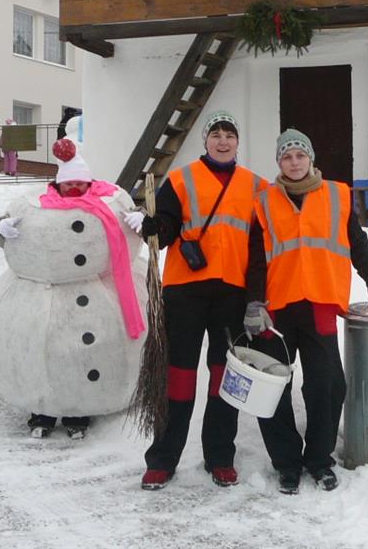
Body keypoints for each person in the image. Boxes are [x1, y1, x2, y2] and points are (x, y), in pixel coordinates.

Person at [245, 128, 368, 495]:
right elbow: (256, 259)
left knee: (328, 385)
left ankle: (319, 460)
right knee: (272, 387)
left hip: (318, 302)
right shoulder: (264, 202)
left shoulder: (337, 195)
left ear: (311, 159)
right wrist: (253, 302)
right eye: (287, 157)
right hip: (276, 308)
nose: (294, 162)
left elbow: (358, 245)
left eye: (300, 155)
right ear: (279, 162)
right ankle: (287, 463)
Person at [125, 110, 268, 490]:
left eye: (229, 135)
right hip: (185, 291)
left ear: (238, 142)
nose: (223, 141)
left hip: (232, 293)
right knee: (179, 376)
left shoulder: (257, 186)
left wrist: (257, 298)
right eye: (216, 134)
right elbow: (168, 227)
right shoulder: (181, 179)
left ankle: (219, 456)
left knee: (224, 378)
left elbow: (260, 249)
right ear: (205, 140)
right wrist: (155, 226)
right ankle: (162, 459)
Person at [0, 137, 145, 440]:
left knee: (83, 358)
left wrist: (143, 218)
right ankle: (42, 412)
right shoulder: (36, 207)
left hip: (97, 297)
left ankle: (80, 412)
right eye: (69, 184)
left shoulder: (107, 203)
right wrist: (0, 228)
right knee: (42, 356)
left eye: (80, 184)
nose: (74, 189)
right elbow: (4, 228)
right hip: (45, 299)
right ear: (58, 185)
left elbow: (138, 220)